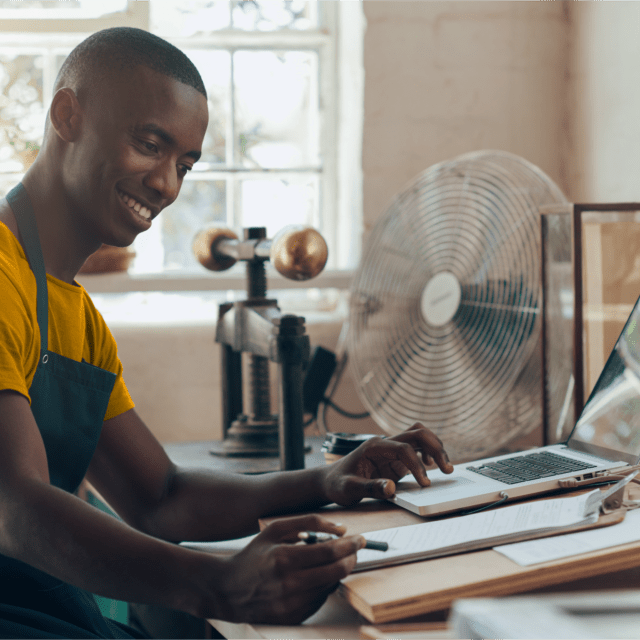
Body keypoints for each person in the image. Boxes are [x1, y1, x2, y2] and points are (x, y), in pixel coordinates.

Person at [0, 27, 453, 640]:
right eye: (149, 144)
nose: (166, 184)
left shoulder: (76, 318)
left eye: (184, 164)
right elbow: (15, 509)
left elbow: (159, 496)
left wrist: (328, 479)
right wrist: (220, 584)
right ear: (66, 114)